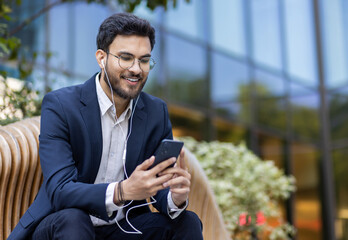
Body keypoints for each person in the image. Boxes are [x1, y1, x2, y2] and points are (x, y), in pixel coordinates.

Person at [8, 12, 203, 240]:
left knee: (187, 222)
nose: (136, 69)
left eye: (143, 60)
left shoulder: (155, 112)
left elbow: (159, 186)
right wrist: (123, 191)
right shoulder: (61, 105)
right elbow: (60, 191)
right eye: (126, 57)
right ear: (101, 58)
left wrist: (174, 197)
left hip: (123, 227)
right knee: (74, 219)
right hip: (63, 225)